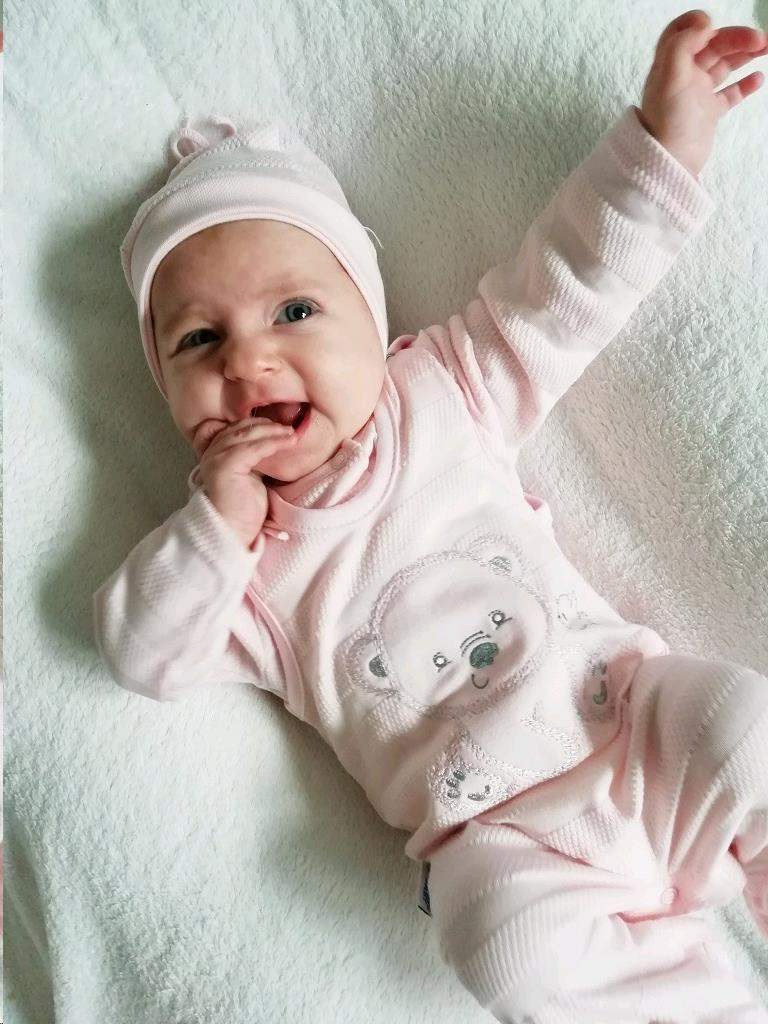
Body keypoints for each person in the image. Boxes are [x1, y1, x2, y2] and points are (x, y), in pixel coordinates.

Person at [93, 10, 768, 1021]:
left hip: (634, 720)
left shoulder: (443, 391)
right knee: (500, 944)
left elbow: (569, 285)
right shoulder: (245, 574)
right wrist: (215, 529)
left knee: (746, 728)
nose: (248, 360)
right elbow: (140, 652)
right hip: (506, 844)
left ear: (372, 322)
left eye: (294, 312)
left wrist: (663, 145)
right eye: (197, 340)